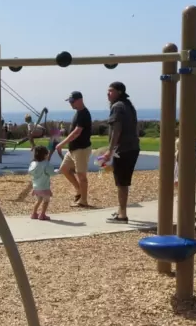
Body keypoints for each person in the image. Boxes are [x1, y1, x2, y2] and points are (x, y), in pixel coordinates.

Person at [101, 82, 140, 223]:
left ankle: (122, 215)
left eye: (110, 91)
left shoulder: (117, 107)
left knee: (121, 183)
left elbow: (116, 130)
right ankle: (120, 210)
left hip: (123, 149)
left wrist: (110, 151)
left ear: (119, 92)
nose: (108, 94)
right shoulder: (128, 105)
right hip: (133, 147)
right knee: (123, 181)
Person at [55, 91, 93, 208]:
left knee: (81, 176)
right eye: (70, 101)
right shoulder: (78, 112)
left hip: (81, 149)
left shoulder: (84, 114)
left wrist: (61, 144)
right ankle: (78, 190)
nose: (70, 104)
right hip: (73, 150)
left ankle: (84, 201)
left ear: (79, 100)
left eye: (72, 101)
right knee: (64, 169)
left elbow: (77, 132)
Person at [28, 145, 53, 220]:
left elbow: (30, 172)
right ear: (45, 155)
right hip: (44, 187)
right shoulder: (46, 164)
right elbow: (51, 173)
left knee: (38, 200)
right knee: (46, 201)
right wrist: (57, 171)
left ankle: (34, 213)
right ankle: (42, 214)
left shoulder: (33, 164)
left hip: (36, 187)